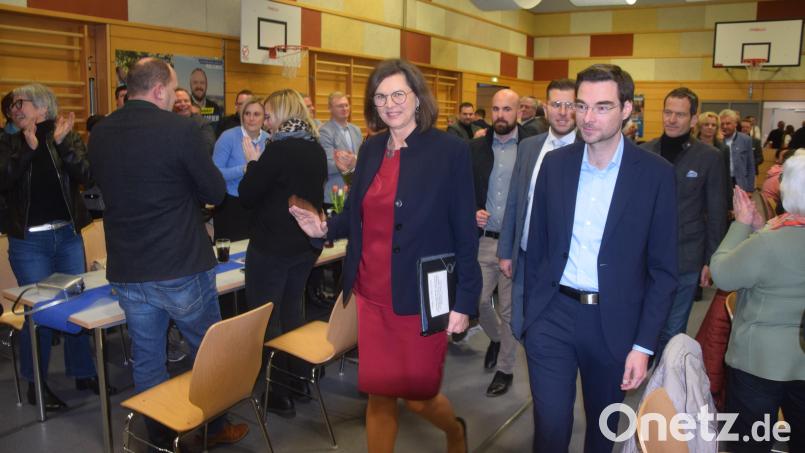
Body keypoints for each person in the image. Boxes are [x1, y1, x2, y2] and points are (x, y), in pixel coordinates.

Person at [290, 58, 480, 453]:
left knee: (418, 396)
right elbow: (356, 213)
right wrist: (324, 229)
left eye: (398, 94)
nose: (390, 104)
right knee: (379, 395)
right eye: (380, 96)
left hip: (422, 296)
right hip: (371, 294)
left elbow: (465, 231)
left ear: (417, 98)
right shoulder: (372, 148)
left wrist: (465, 301)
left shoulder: (450, 151)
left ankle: (455, 431)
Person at [88, 57, 245, 448]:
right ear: (159, 89)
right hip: (180, 264)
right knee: (208, 349)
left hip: (127, 265)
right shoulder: (180, 130)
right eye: (172, 88)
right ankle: (215, 426)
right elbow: (215, 192)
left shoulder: (102, 131)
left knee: (147, 357)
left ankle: (159, 435)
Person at [523, 64, 677, 452]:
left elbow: (663, 271)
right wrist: (531, 314)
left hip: (614, 323)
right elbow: (538, 245)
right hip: (552, 315)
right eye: (582, 105)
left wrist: (643, 346)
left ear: (627, 109)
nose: (587, 118)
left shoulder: (656, 175)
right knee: (551, 427)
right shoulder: (555, 166)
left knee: (603, 431)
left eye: (602, 106)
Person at [0, 83, 100, 411]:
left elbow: (86, 174)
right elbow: (3, 180)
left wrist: (61, 144)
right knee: (40, 312)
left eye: (21, 103)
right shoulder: (8, 141)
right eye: (13, 104)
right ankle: (36, 384)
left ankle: (83, 373)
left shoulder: (64, 135)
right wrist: (27, 150)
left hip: (67, 235)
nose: (15, 108)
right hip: (30, 242)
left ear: (42, 107)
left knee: (76, 306)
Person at [238, 89, 326, 418]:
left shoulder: (277, 150)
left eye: (269, 113)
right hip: (303, 247)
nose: (266, 120)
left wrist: (251, 163)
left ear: (283, 112)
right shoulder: (314, 148)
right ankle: (299, 380)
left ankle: (277, 392)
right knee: (293, 313)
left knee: (267, 317)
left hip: (272, 247)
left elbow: (248, 194)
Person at [710, 155, 805, 453]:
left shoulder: (770, 241)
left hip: (758, 363)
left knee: (750, 444)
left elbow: (722, 274)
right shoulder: (773, 233)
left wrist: (740, 225)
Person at [640, 87, 726, 360]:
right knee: (643, 325)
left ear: (693, 119)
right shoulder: (644, 151)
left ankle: (665, 390)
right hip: (645, 259)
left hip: (686, 258)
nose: (672, 119)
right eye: (668, 112)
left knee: (673, 330)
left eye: (680, 114)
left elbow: (716, 212)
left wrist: (711, 259)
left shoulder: (710, 157)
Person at [499, 77, 578, 341]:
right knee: (520, 323)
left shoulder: (586, 151)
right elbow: (514, 200)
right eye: (557, 104)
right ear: (546, 108)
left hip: (562, 262)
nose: (563, 112)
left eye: (570, 105)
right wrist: (505, 252)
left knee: (550, 330)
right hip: (523, 255)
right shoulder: (529, 147)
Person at [469, 88, 530, 397]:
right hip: (483, 242)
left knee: (508, 311)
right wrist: (472, 211)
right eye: (496, 109)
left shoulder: (532, 147)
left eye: (507, 109)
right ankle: (494, 338)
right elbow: (462, 190)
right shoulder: (475, 148)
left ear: (519, 111)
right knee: (477, 301)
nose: (501, 115)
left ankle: (505, 369)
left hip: (515, 246)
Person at [212, 97, 268, 241]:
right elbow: (215, 173)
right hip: (231, 204)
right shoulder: (228, 137)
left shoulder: (269, 140)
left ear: (264, 117)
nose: (251, 118)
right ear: (242, 116)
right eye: (247, 113)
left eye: (256, 114)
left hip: (260, 205)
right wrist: (244, 169)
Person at [319, 91, 362, 207]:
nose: (344, 108)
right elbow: (328, 164)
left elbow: (363, 159)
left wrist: (355, 160)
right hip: (335, 193)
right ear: (330, 108)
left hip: (356, 192)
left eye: (346, 105)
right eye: (340, 106)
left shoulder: (356, 130)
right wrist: (354, 162)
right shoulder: (324, 132)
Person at [695, 111, 732, 207]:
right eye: (706, 124)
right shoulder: (690, 146)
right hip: (695, 193)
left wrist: (729, 204)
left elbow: (726, 176)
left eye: (713, 125)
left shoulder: (723, 149)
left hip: (716, 193)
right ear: (699, 126)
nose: (710, 127)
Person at [720, 109, 755, 193]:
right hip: (721, 182)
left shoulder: (746, 139)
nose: (724, 126)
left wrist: (749, 189)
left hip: (739, 182)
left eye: (728, 123)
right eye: (722, 124)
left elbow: (750, 165)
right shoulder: (716, 140)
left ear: (735, 124)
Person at [173, 87, 215, 154]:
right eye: (178, 102)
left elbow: (207, 148)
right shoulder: (166, 123)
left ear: (191, 104)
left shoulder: (203, 123)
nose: (183, 104)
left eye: (186, 101)